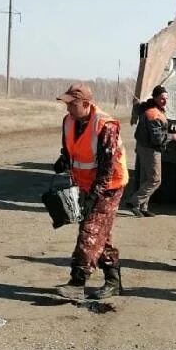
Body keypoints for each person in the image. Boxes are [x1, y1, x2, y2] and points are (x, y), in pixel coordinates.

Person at [52, 84, 129, 299]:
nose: (68, 109)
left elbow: (108, 167)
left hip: (109, 186)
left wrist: (95, 195)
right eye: (67, 103)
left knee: (90, 231)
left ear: (86, 104)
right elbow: (69, 149)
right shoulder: (69, 122)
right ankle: (113, 282)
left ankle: (77, 283)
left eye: (72, 104)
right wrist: (63, 161)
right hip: (85, 184)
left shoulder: (106, 125)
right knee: (101, 234)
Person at [126, 85, 176, 217]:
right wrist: (173, 136)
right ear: (155, 98)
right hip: (150, 149)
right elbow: (158, 139)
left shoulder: (152, 109)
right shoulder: (153, 114)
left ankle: (143, 208)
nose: (165, 101)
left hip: (144, 147)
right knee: (155, 180)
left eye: (166, 98)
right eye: (162, 98)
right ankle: (134, 202)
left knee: (145, 178)